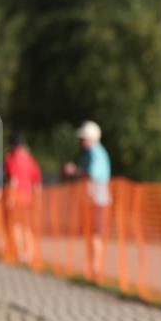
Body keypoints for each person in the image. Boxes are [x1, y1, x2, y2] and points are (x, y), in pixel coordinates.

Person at [63, 120, 111, 281]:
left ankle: (96, 269)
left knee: (96, 234)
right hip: (92, 200)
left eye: (83, 138)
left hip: (97, 200)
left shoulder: (95, 153)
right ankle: (93, 268)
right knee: (92, 234)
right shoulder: (90, 153)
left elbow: (92, 174)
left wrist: (74, 170)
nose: (81, 141)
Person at [4, 133, 42, 265]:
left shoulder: (11, 158)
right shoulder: (29, 158)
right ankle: (29, 253)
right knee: (26, 226)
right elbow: (37, 179)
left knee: (16, 226)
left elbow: (13, 179)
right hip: (29, 197)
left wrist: (10, 197)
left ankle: (20, 253)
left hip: (17, 196)